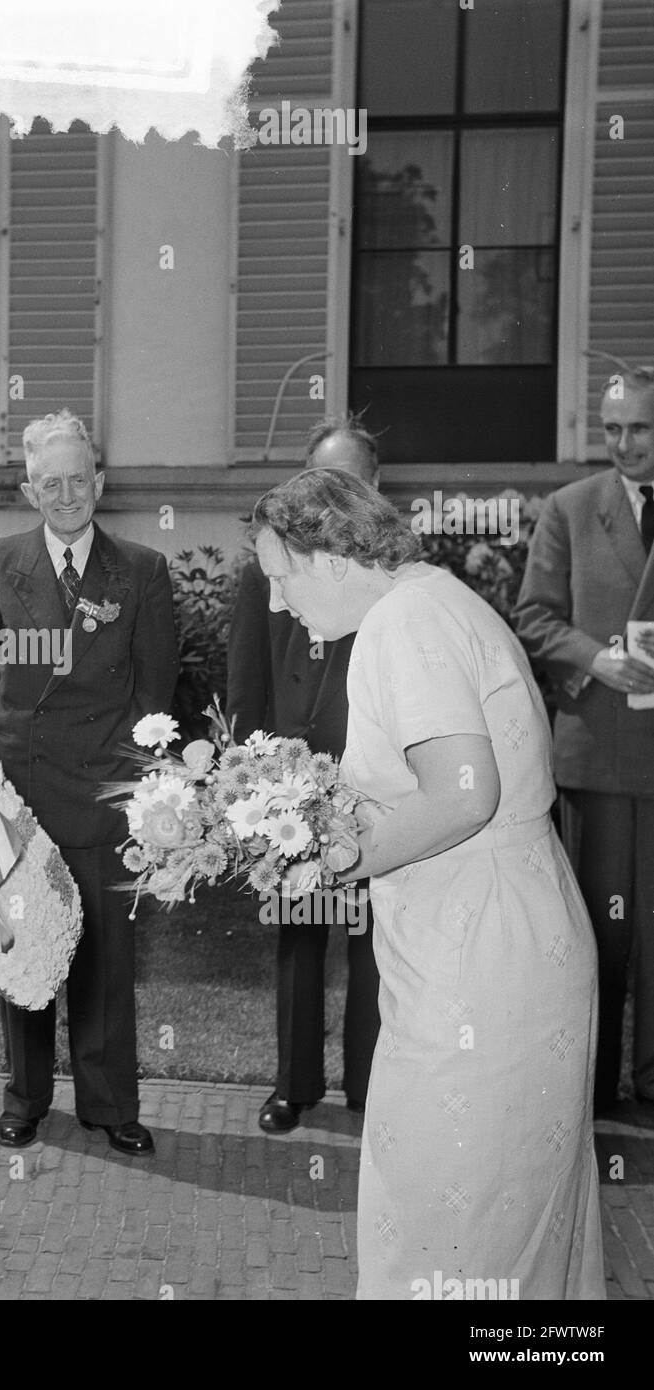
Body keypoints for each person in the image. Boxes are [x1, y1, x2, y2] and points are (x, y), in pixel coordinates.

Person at [253, 467, 604, 1299]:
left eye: (278, 576)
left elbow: (462, 792)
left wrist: (331, 858)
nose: (273, 603)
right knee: (505, 1217)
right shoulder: (436, 597)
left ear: (331, 559)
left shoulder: (401, 621)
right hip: (511, 931)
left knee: (450, 1227)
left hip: (477, 956)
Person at [0, 409, 179, 1155]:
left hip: (100, 788)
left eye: (77, 480)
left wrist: (137, 787)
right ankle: (25, 1096)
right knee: (23, 948)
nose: (65, 496)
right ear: (28, 491)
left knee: (104, 956)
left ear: (100, 481)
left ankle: (109, 1103)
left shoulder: (142, 571)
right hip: (19, 787)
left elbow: (156, 696)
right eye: (48, 483)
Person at [226, 418, 381, 1134]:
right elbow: (247, 684)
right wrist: (252, 779)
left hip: (375, 785)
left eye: (350, 484)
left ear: (373, 490)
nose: (333, 501)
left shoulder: (391, 576)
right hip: (290, 788)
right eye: (322, 484)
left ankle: (370, 1088)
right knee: (298, 936)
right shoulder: (263, 570)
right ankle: (294, 1086)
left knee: (375, 945)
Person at [514, 366, 654, 1116]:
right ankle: (591, 1088)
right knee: (602, 926)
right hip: (598, 750)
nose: (623, 443)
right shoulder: (571, 508)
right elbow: (532, 619)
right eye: (611, 428)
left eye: (639, 427)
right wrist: (595, 658)